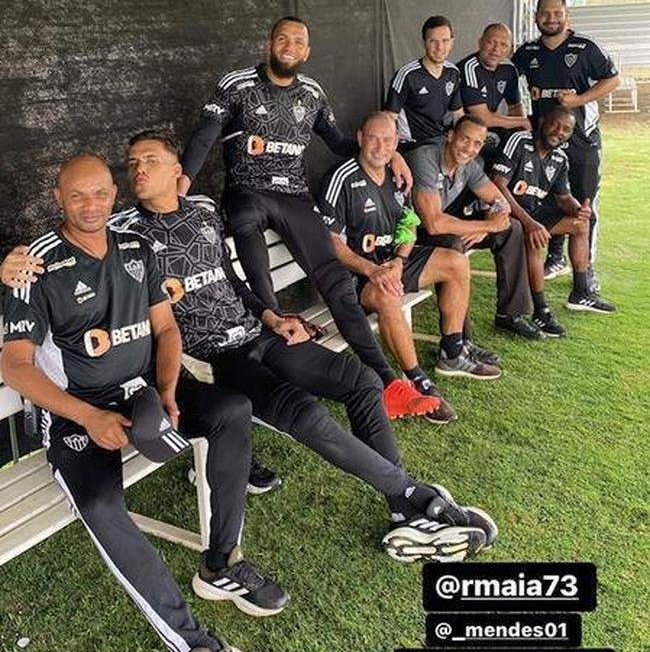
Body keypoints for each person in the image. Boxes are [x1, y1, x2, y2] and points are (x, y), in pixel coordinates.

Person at [2, 135, 498, 564]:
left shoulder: (201, 210)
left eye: (150, 160)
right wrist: (8, 264)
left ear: (177, 171)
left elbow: (230, 278)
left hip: (255, 333)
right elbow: (58, 258)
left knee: (362, 380)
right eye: (132, 164)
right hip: (212, 356)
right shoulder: (121, 232)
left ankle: (401, 507)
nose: (139, 170)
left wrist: (271, 316)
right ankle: (413, 497)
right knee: (304, 413)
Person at [0, 155, 251, 652]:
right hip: (77, 414)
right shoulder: (35, 266)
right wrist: (90, 417)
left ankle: (221, 561)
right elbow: (14, 365)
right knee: (102, 507)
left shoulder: (137, 246)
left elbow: (165, 329)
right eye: (77, 196)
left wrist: (167, 391)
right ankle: (199, 650)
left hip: (145, 394)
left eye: (100, 194)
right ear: (58, 198)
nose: (90, 206)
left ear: (114, 193)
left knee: (232, 411)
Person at [178, 16, 433, 420]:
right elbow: (204, 138)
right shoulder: (237, 84)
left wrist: (391, 154)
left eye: (299, 41)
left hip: (294, 197)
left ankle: (389, 384)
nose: (290, 46)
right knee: (245, 224)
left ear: (307, 51)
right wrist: (181, 189)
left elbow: (338, 143)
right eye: (283, 38)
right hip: (248, 191)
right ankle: (273, 327)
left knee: (336, 279)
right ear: (269, 44)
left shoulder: (312, 93)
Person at [319, 111, 501, 399]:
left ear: (396, 143)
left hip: (392, 263)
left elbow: (409, 224)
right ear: (360, 139)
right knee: (388, 295)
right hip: (358, 276)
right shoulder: (341, 177)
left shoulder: (398, 175)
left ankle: (452, 352)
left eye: (387, 140)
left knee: (455, 262)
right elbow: (330, 242)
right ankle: (417, 381)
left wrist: (400, 260)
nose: (380, 147)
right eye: (373, 139)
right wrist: (373, 270)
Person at [512, 0, 619, 287]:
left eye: (557, 13)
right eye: (545, 13)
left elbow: (613, 79)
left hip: (582, 141)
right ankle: (556, 257)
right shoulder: (527, 52)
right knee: (550, 198)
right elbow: (506, 80)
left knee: (583, 204)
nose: (551, 18)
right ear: (535, 17)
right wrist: (519, 116)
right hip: (544, 144)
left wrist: (579, 99)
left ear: (566, 15)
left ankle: (587, 269)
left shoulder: (585, 47)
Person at [408, 114, 545, 342]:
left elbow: (500, 202)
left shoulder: (469, 165)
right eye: (465, 139)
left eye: (477, 143)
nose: (469, 148)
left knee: (512, 228)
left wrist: (487, 228)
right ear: (450, 136)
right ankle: (460, 340)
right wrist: (486, 224)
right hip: (413, 233)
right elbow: (433, 224)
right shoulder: (425, 158)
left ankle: (510, 314)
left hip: (445, 223)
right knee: (452, 244)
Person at [491, 107, 616, 331]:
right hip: (507, 212)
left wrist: (579, 210)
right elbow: (498, 184)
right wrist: (530, 223)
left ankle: (580, 292)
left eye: (566, 129)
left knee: (580, 225)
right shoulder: (520, 141)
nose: (559, 132)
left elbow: (564, 198)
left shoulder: (560, 158)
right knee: (534, 237)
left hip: (533, 211)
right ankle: (541, 310)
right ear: (542, 122)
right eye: (555, 125)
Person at [456, 22, 530, 170]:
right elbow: (483, 117)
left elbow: (515, 106)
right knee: (493, 151)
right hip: (462, 130)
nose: (496, 49)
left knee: (521, 151)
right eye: (491, 42)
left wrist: (522, 133)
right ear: (480, 43)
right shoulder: (469, 68)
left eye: (504, 45)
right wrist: (523, 121)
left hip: (486, 129)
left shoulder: (509, 68)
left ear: (510, 49)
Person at [384, 15, 463, 149]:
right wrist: (393, 153)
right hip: (414, 145)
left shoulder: (453, 72)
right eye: (433, 41)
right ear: (424, 42)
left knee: (477, 158)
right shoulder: (407, 75)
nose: (439, 47)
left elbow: (458, 115)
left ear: (452, 42)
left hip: (442, 141)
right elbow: (389, 118)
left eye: (445, 41)